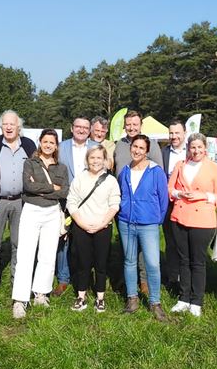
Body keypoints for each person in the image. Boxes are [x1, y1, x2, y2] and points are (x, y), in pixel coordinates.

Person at [12, 129, 69, 319]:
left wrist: (43, 189)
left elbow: (64, 192)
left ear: (56, 146)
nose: (48, 145)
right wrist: (52, 188)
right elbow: (28, 186)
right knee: (25, 255)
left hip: (52, 212)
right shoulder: (30, 162)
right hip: (32, 210)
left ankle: (41, 293)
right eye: (45, 141)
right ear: (40, 142)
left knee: (47, 254)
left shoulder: (61, 168)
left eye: (52, 142)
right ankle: (20, 300)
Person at [169, 132, 217, 317]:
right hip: (180, 216)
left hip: (203, 220)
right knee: (183, 260)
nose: (196, 150)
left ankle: (197, 301)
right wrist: (179, 194)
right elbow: (170, 189)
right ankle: (183, 298)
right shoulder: (180, 165)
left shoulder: (214, 168)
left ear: (205, 148)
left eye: (200, 147)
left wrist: (202, 196)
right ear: (188, 148)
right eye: (193, 147)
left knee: (198, 261)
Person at [0, 110, 36, 299]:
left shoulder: (28, 145)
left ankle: (18, 279)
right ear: (1, 126)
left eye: (12, 124)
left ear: (19, 126)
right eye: (5, 124)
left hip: (21, 201)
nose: (9, 127)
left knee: (19, 243)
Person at [117, 134, 168, 321]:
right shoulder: (125, 171)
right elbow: (121, 194)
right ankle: (132, 299)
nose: (137, 150)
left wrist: (155, 219)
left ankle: (155, 303)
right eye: (134, 146)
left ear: (147, 151)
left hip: (148, 224)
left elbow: (163, 200)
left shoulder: (156, 172)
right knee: (129, 261)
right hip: (126, 223)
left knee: (153, 264)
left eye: (141, 148)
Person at [114, 110, 164, 294]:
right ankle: (126, 280)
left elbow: (159, 177)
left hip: (145, 208)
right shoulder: (119, 145)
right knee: (126, 248)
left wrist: (158, 214)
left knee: (145, 250)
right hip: (123, 206)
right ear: (124, 125)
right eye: (128, 124)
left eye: (135, 124)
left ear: (141, 125)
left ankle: (143, 281)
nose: (132, 127)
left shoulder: (151, 145)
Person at [67, 145, 120, 312]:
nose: (95, 161)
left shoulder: (111, 181)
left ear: (105, 160)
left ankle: (100, 298)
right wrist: (82, 224)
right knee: (83, 263)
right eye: (92, 158)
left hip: (103, 227)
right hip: (81, 227)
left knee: (101, 264)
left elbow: (114, 204)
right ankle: (81, 296)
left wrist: (102, 223)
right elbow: (71, 202)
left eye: (99, 158)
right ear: (87, 160)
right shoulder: (80, 179)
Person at [54, 116, 96, 297]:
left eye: (85, 127)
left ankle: (86, 277)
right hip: (65, 200)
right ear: (71, 128)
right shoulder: (61, 147)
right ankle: (63, 279)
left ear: (90, 130)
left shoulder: (95, 147)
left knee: (88, 240)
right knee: (63, 239)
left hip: (90, 202)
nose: (81, 130)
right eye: (78, 126)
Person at [161, 119, 187, 293]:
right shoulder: (163, 152)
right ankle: (172, 278)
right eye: (171, 133)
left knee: (184, 243)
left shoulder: (192, 152)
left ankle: (186, 278)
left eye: (177, 133)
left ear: (184, 133)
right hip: (168, 204)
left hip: (187, 204)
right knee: (170, 242)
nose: (174, 136)